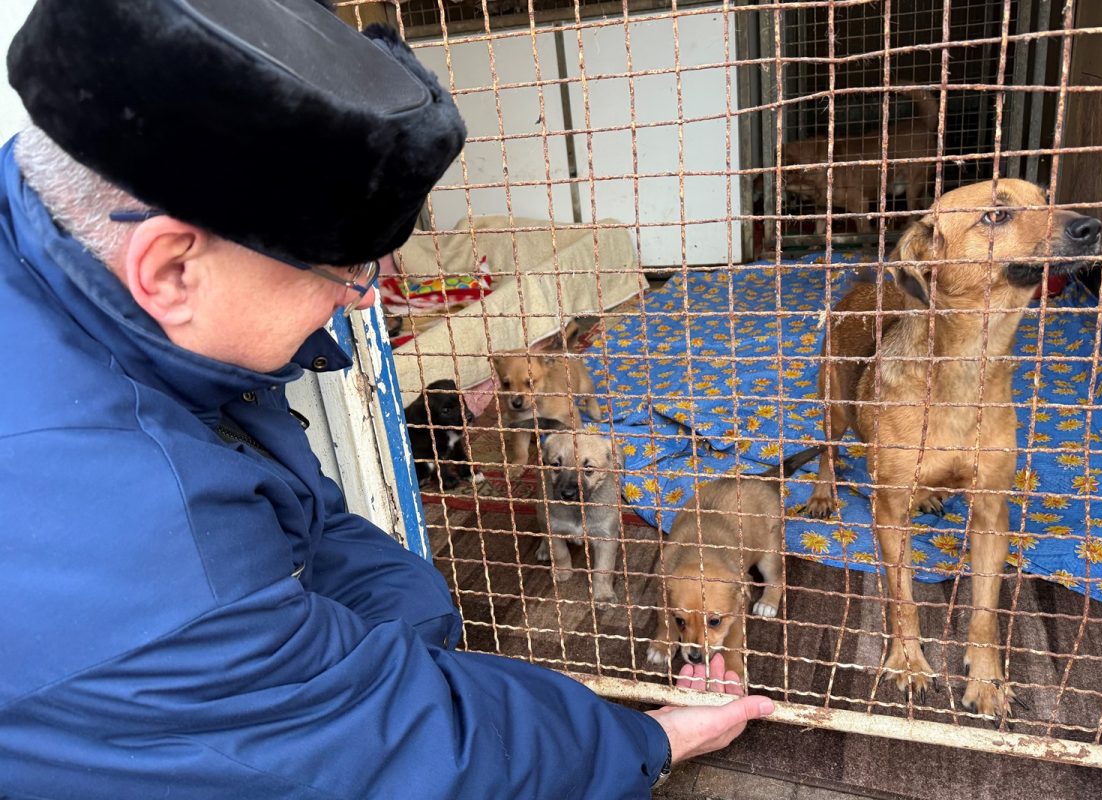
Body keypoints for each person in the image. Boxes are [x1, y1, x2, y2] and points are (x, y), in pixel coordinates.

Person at [0, 1, 773, 797]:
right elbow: (388, 751)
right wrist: (649, 739)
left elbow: (313, 526)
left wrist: (411, 646)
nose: (366, 297)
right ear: (170, 271)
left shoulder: (84, 280)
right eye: (346, 269)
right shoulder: (138, 531)